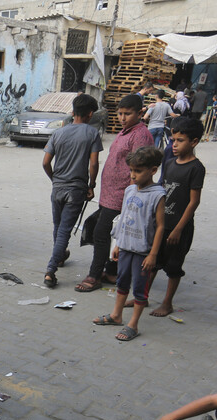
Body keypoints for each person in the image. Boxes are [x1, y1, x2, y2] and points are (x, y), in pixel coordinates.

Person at [76, 94, 152, 293]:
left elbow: (141, 168)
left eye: (128, 114)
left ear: (139, 113)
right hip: (109, 194)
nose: (123, 118)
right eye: (120, 113)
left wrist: (133, 193)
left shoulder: (141, 135)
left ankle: (94, 275)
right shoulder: (125, 132)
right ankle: (111, 271)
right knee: (110, 234)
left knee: (101, 233)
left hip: (122, 195)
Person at [91, 146, 165, 341]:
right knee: (122, 281)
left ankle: (133, 324)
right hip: (125, 246)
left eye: (138, 171)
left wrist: (153, 255)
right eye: (131, 170)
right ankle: (116, 315)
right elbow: (124, 218)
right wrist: (117, 243)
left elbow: (160, 227)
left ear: (153, 170)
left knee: (140, 288)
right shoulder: (130, 190)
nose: (133, 175)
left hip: (143, 251)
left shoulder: (157, 195)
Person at [41, 93, 102, 289]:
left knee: (58, 227)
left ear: (73, 111)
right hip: (76, 189)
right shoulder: (92, 133)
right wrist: (92, 185)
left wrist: (54, 179)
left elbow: (45, 162)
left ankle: (59, 257)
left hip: (58, 187)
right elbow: (94, 163)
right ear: (90, 114)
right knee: (64, 231)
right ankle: (51, 270)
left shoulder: (59, 133)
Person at [148, 117, 205, 317]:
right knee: (152, 262)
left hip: (180, 228)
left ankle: (167, 303)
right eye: (173, 140)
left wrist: (179, 228)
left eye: (180, 140)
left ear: (194, 142)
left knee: (173, 266)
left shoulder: (196, 168)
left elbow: (193, 201)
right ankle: (142, 296)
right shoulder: (170, 163)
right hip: (162, 225)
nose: (174, 145)